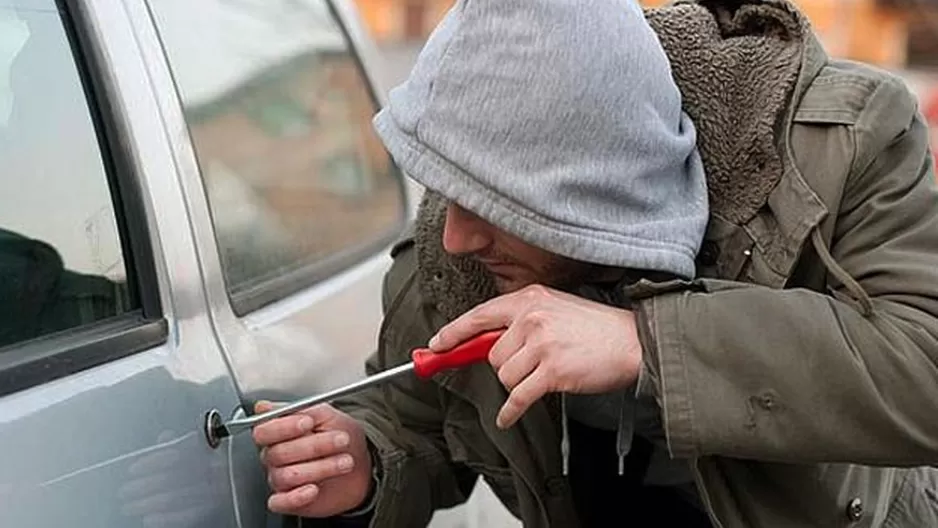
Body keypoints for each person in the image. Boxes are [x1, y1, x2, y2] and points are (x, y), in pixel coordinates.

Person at [251, 0, 938, 526]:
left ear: (590, 191)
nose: (456, 238)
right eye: (449, 193)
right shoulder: (454, 257)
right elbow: (419, 419)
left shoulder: (845, 148)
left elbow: (924, 369)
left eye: (493, 204)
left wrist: (645, 343)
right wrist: (367, 462)